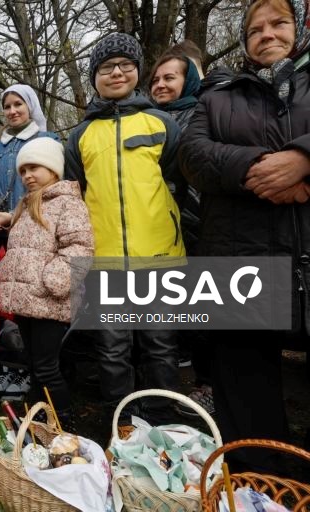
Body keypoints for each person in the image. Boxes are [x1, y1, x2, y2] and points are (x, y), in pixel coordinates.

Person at [179, 0, 310, 471]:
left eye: (279, 23)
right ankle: (264, 490)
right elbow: (192, 154)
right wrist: (257, 168)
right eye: (255, 28)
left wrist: (302, 159)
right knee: (247, 400)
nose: (267, 34)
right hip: (239, 260)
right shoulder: (218, 96)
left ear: (299, 28)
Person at [64, 32, 185, 429]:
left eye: (125, 65)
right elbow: (76, 192)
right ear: (95, 76)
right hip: (105, 260)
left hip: (160, 258)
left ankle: (165, 423)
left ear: (138, 72)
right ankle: (123, 424)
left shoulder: (163, 123)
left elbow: (179, 181)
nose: (116, 72)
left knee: (160, 347)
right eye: (106, 67)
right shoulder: (80, 135)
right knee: (112, 350)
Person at [0, 137, 94, 430]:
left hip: (49, 300)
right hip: (26, 300)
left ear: (53, 169)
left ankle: (64, 424)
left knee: (47, 367)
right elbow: (22, 249)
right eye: (23, 170)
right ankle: (41, 420)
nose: (27, 175)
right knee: (36, 364)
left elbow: (80, 247)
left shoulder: (68, 204)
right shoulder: (26, 205)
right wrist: (3, 272)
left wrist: (53, 279)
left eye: (34, 167)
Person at [149, 41, 216, 418]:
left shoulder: (203, 112)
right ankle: (166, 388)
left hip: (197, 223)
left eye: (169, 78)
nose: (160, 85)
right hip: (160, 226)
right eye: (156, 79)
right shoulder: (150, 118)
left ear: (189, 79)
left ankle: (208, 386)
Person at [0, 84, 60, 221]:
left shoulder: (48, 139)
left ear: (29, 106)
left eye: (18, 104)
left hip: (35, 224)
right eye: (7, 107)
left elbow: (57, 188)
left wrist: (14, 217)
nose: (12, 111)